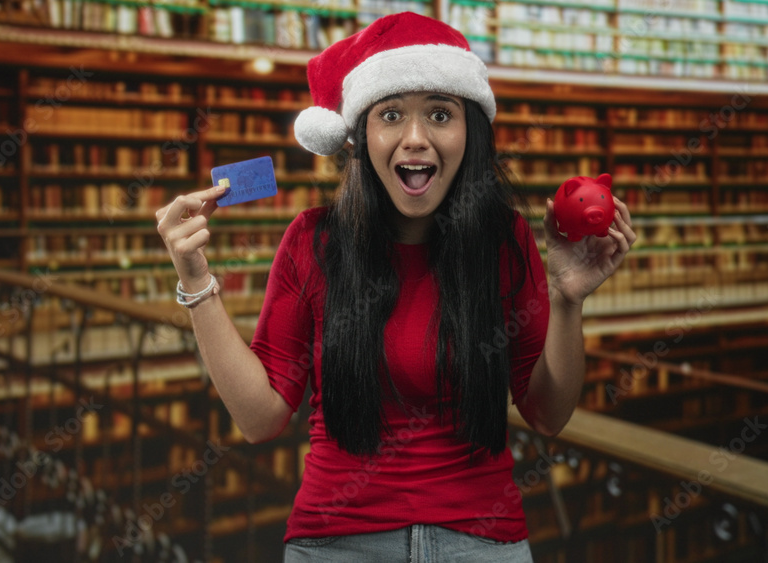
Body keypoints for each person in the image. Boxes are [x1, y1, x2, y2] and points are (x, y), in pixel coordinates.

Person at [155, 12, 635, 562]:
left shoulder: (506, 242)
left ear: (469, 132)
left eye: (439, 113)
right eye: (390, 115)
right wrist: (196, 281)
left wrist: (567, 298)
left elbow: (549, 415)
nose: (415, 139)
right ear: (361, 138)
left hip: (482, 541)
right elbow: (259, 418)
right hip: (335, 543)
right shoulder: (312, 242)